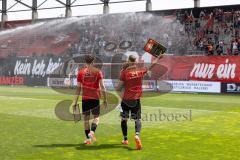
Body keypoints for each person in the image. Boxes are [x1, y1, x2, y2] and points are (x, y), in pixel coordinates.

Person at [116, 54, 163, 150]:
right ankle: (137, 135)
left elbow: (118, 88)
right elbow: (152, 65)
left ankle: (125, 139)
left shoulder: (124, 72)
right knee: (137, 119)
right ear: (136, 61)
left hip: (125, 100)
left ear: (129, 61)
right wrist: (158, 57)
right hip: (136, 99)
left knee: (124, 119)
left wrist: (123, 86)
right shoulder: (140, 70)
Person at [73, 55, 107, 144]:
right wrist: (105, 99)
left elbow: (78, 88)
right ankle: (92, 132)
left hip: (85, 99)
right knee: (96, 118)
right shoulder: (98, 72)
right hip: (95, 98)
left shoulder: (80, 73)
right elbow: (103, 87)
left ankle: (88, 139)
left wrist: (74, 102)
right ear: (93, 62)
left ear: (85, 62)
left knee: (86, 120)